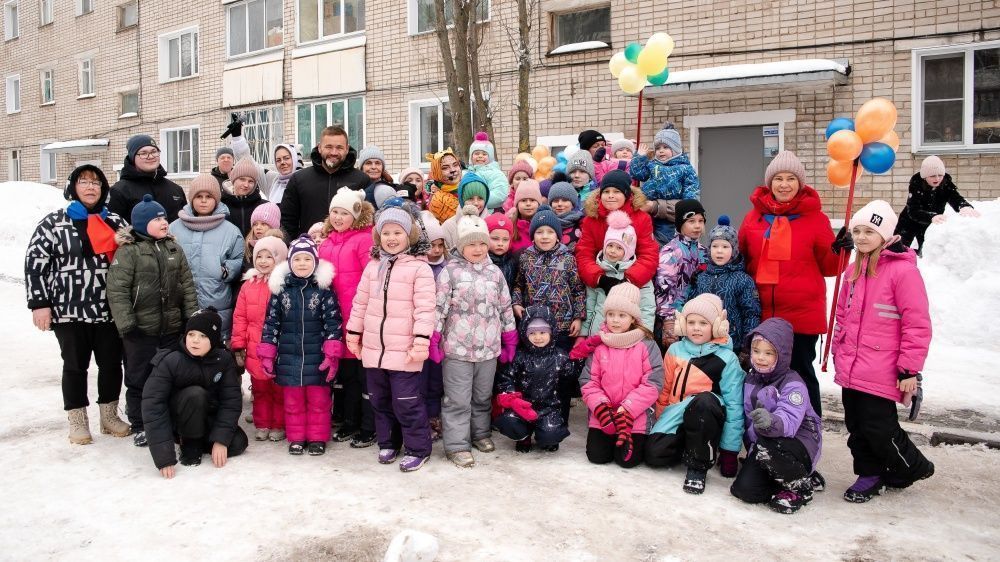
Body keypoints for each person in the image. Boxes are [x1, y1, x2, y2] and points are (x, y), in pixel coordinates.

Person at [737, 151, 844, 441]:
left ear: (800, 183)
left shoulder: (816, 219)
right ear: (769, 183)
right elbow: (742, 259)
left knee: (800, 375)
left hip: (801, 315)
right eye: (779, 179)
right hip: (762, 313)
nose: (784, 184)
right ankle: (766, 433)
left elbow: (831, 267)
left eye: (791, 179)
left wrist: (840, 250)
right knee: (762, 376)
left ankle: (809, 435)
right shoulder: (753, 218)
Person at [833, 200, 935, 503]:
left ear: (885, 235)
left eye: (869, 231)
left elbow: (917, 324)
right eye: (857, 231)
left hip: (882, 367)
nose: (862, 237)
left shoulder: (903, 272)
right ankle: (869, 473)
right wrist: (838, 350)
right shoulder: (852, 271)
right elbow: (842, 316)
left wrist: (909, 370)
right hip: (851, 365)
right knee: (856, 426)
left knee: (879, 427)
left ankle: (912, 467)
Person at [25, 164, 130, 444]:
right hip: (68, 310)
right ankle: (77, 420)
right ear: (73, 187)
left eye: (96, 182)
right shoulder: (53, 223)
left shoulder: (116, 222)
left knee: (111, 364)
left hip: (109, 310)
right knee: (74, 366)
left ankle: (109, 416)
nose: (90, 187)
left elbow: (133, 262)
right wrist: (39, 303)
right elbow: (35, 264)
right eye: (84, 181)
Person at [346, 206, 436, 472]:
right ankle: (388, 442)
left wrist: (421, 340)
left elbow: (425, 309)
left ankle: (418, 448)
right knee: (380, 400)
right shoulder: (373, 267)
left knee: (406, 402)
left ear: (409, 236)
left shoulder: (419, 268)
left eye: (397, 232)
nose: (391, 238)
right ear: (378, 236)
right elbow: (360, 303)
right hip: (375, 349)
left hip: (405, 350)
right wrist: (354, 333)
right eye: (386, 233)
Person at [107, 195, 200, 447]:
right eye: (157, 219)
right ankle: (140, 424)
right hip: (140, 332)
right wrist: (128, 326)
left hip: (171, 329)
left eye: (164, 218)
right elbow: (117, 291)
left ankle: (167, 422)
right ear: (141, 223)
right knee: (139, 378)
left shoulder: (173, 249)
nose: (164, 223)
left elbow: (187, 286)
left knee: (169, 376)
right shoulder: (129, 252)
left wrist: (190, 319)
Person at [431, 206, 517, 468]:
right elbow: (439, 307)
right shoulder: (450, 272)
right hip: (457, 349)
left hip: (488, 348)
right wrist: (434, 337)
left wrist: (509, 337)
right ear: (460, 245)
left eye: (482, 243)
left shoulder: (495, 273)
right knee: (457, 399)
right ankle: (457, 444)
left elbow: (505, 306)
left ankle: (480, 433)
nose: (478, 249)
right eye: (471, 244)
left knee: (481, 397)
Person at [645, 293, 745, 494]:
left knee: (704, 401)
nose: (696, 328)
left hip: (707, 415)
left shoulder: (727, 358)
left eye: (703, 323)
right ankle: (690, 446)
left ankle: (698, 465)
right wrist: (659, 422)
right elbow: (665, 389)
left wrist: (729, 450)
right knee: (654, 455)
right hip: (677, 412)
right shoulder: (675, 350)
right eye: (691, 322)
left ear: (716, 326)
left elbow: (734, 405)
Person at [258, 236, 343, 456]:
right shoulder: (281, 290)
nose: (302, 263)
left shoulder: (324, 290)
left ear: (315, 262)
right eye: (297, 259)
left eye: (307, 259)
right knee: (293, 402)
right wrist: (268, 352)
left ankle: (317, 438)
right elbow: (271, 323)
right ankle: (296, 438)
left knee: (319, 401)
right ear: (289, 262)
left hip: (317, 357)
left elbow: (333, 322)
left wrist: (332, 352)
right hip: (289, 357)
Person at [142, 307, 248, 478]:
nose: (195, 340)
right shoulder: (170, 360)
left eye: (203, 336)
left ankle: (203, 441)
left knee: (238, 443)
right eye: (191, 334)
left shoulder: (223, 359)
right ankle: (189, 443)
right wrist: (164, 456)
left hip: (207, 417)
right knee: (195, 394)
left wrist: (220, 439)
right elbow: (153, 405)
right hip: (178, 422)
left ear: (213, 340)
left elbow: (231, 401)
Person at [730, 318, 823, 514]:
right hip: (764, 446)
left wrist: (771, 421)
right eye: (756, 351)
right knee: (743, 490)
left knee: (770, 446)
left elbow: (789, 421)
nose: (760, 358)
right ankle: (785, 481)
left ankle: (800, 486)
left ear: (782, 355)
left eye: (768, 353)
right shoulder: (751, 379)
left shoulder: (793, 383)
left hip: (796, 444)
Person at [575, 283, 664, 468]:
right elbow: (588, 381)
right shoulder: (599, 345)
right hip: (604, 415)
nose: (615, 320)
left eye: (622, 315)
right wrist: (601, 407)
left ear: (633, 318)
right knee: (597, 456)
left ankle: (634, 436)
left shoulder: (647, 345)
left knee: (627, 461)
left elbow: (653, 383)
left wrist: (628, 408)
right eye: (610, 314)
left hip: (634, 414)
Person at [512, 206, 586, 423]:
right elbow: (518, 285)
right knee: (532, 375)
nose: (544, 236)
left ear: (558, 235)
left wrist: (578, 317)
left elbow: (578, 290)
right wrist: (516, 303)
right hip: (534, 327)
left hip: (561, 326)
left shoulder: (568, 258)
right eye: (539, 232)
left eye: (550, 232)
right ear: (532, 235)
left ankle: (559, 420)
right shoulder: (526, 257)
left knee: (560, 374)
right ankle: (532, 419)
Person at [317, 188, 377, 448]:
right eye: (334, 212)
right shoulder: (327, 242)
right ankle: (349, 421)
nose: (338, 217)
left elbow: (372, 278)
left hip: (358, 319)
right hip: (334, 319)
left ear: (356, 216)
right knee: (346, 376)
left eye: (344, 213)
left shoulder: (364, 240)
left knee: (364, 377)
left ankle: (369, 426)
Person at [169, 174, 245, 343]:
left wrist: (226, 271)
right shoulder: (174, 228)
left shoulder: (230, 231)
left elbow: (238, 258)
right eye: (199, 196)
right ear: (191, 199)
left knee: (213, 349)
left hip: (216, 300)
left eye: (209, 196)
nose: (203, 201)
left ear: (216, 200)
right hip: (181, 302)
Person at [232, 236, 288, 442]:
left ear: (279, 258)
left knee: (279, 389)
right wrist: (239, 344)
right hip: (255, 346)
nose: (263, 261)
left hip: (279, 347)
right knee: (260, 389)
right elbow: (240, 316)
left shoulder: (284, 284)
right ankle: (262, 423)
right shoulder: (248, 285)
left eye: (269, 257)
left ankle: (278, 424)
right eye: (259, 256)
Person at [494, 306, 572, 453]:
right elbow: (506, 378)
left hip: (549, 409)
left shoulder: (560, 357)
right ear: (525, 333)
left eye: (542, 332)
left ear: (551, 332)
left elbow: (569, 381)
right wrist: (512, 398)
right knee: (508, 421)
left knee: (551, 435)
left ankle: (547, 437)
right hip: (523, 407)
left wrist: (576, 360)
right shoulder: (520, 356)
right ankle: (523, 436)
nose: (538, 337)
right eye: (532, 333)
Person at [576, 170, 659, 296]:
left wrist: (629, 280)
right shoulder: (591, 220)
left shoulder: (642, 219)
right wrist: (600, 279)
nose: (610, 195)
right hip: (601, 280)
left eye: (616, 191)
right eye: (606, 191)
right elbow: (584, 254)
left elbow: (649, 254)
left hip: (632, 281)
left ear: (626, 194)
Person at [689, 216, 761, 361]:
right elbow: (691, 308)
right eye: (715, 246)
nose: (719, 251)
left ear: (734, 250)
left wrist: (746, 348)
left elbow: (751, 314)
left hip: (732, 345)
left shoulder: (742, 280)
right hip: (702, 344)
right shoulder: (701, 277)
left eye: (725, 247)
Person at [280, 125, 369, 237]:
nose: (334, 152)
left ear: (347, 149)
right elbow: (287, 222)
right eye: (328, 147)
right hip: (309, 246)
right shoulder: (299, 179)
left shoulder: (361, 180)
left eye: (339, 148)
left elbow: (367, 222)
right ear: (319, 147)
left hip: (348, 246)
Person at [583, 211, 655, 336]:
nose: (612, 251)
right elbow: (589, 305)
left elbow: (647, 307)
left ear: (628, 251)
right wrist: (584, 333)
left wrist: (644, 334)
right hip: (598, 334)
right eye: (610, 245)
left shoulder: (637, 276)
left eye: (619, 248)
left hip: (627, 336)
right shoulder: (599, 272)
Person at [895, 155, 981, 256]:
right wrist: (931, 216)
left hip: (930, 224)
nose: (937, 178)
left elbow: (955, 198)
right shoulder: (917, 184)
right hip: (909, 222)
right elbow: (913, 210)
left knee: (927, 253)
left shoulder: (945, 184)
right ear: (925, 176)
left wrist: (963, 206)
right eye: (932, 176)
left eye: (940, 175)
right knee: (897, 250)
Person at [630, 123, 701, 244]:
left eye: (666, 147)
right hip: (647, 212)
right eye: (658, 148)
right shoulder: (652, 165)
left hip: (668, 220)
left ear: (676, 149)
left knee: (663, 242)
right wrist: (639, 157)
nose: (661, 151)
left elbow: (691, 197)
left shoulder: (685, 169)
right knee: (644, 240)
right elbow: (638, 174)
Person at [655, 199, 708, 351]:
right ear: (680, 224)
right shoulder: (670, 251)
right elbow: (664, 288)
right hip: (676, 318)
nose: (697, 226)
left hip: (699, 318)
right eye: (691, 221)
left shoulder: (705, 252)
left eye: (701, 221)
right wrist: (668, 320)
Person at [108, 134, 186, 222]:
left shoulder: (175, 189)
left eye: (154, 151)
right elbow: (113, 226)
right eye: (143, 153)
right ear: (132, 158)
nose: (151, 156)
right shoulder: (120, 191)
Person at [228, 120, 302, 204]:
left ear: (295, 159)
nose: (282, 162)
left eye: (286, 158)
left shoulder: (306, 181)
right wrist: (237, 138)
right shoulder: (273, 180)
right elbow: (247, 162)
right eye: (278, 160)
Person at [441, 172, 492, 249]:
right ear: (462, 200)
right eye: (470, 198)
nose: (476, 203)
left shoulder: (492, 223)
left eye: (480, 198)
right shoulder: (449, 226)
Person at [221, 158, 266, 235]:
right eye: (242, 179)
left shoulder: (264, 206)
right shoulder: (221, 206)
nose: (246, 185)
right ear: (233, 180)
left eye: (250, 181)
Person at [466, 132, 510, 210]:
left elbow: (499, 195)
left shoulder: (496, 174)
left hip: (489, 212)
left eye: (484, 154)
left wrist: (477, 202)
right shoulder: (466, 173)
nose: (480, 156)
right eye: (476, 153)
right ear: (471, 157)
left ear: (490, 157)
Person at [424, 148, 464, 223]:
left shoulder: (466, 187)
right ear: (436, 172)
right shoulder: (438, 199)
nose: (453, 170)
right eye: (445, 168)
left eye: (455, 165)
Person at [506, 179, 545, 254]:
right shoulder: (510, 227)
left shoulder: (546, 224)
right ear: (517, 204)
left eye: (532, 200)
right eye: (523, 200)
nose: (528, 204)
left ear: (538, 203)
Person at [547, 181, 584, 249]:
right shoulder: (544, 222)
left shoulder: (581, 223)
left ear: (572, 204)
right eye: (556, 201)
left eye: (564, 200)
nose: (560, 204)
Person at [485, 212, 516, 291]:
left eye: (505, 239)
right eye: (495, 239)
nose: (500, 244)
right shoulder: (481, 261)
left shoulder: (512, 262)